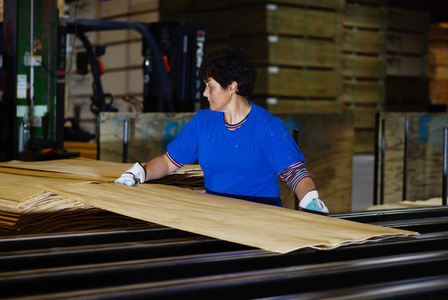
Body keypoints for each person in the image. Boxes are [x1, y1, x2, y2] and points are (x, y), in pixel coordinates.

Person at [115, 47, 329, 215]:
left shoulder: (267, 127)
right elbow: (169, 161)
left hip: (261, 217)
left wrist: (310, 199)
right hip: (215, 214)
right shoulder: (203, 122)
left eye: (210, 86)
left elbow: (295, 175)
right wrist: (141, 172)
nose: (205, 92)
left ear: (232, 87)